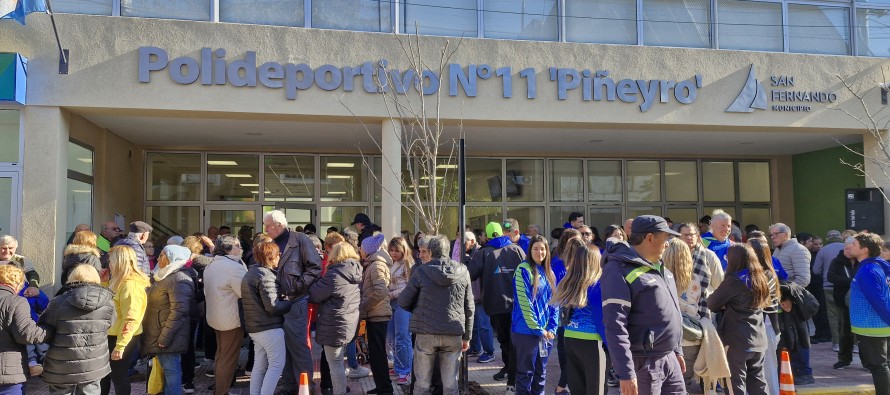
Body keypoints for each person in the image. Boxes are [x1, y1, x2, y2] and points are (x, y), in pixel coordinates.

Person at [601, 215, 685, 395]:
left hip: (669, 359)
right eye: (665, 238)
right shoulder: (618, 269)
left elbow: (673, 312)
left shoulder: (661, 269)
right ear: (649, 238)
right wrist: (625, 373)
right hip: (643, 364)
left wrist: (677, 350)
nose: (668, 244)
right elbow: (615, 325)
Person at [398, 235, 474, 395]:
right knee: (451, 386)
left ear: (430, 251)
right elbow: (469, 307)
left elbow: (403, 301)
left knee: (422, 385)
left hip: (426, 333)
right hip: (453, 332)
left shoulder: (421, 271)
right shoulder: (463, 271)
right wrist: (467, 336)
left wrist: (419, 309)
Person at [263, 210, 322, 394]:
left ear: (279, 225)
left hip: (296, 301)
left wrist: (296, 287)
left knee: (298, 346)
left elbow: (315, 267)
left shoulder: (300, 240)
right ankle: (289, 385)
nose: (266, 229)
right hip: (277, 303)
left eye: (268, 226)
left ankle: (306, 388)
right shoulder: (271, 243)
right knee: (283, 347)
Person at [40, 265, 114, 395]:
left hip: (62, 360)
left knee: (60, 392)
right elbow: (110, 324)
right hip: (93, 360)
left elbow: (45, 325)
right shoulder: (108, 303)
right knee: (90, 391)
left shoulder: (58, 301)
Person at [468, 221, 527, 386]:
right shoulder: (517, 250)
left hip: (496, 304)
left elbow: (469, 274)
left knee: (504, 339)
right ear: (501, 233)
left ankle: (511, 370)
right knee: (514, 339)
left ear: (486, 236)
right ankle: (512, 370)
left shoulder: (484, 252)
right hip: (517, 304)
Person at [707, 244, 771, 395]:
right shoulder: (762, 277)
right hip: (759, 337)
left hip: (736, 338)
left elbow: (712, 303)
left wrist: (725, 306)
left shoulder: (734, 280)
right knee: (758, 381)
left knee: (735, 383)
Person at [549, 241, 608, 395]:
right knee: (597, 390)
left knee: (578, 390)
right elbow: (601, 320)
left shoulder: (568, 283)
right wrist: (612, 346)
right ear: (596, 261)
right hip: (593, 341)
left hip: (570, 338)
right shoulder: (597, 285)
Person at [142, 245, 196, 395]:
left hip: (167, 336)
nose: (158, 258)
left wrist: (165, 338)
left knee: (172, 371)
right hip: (160, 332)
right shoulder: (164, 276)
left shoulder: (179, 279)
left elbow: (179, 312)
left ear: (171, 258)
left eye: (162, 255)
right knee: (167, 371)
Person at [241, 241, 293, 395]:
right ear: (272, 257)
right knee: (277, 365)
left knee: (260, 366)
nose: (280, 257)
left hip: (255, 327)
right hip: (269, 328)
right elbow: (273, 306)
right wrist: (288, 302)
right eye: (278, 255)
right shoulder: (266, 276)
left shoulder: (251, 272)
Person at [310, 242, 362, 395]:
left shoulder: (334, 275)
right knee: (339, 361)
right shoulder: (356, 270)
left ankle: (339, 392)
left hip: (334, 324)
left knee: (335, 364)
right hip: (349, 323)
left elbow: (314, 294)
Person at [511, 235, 558, 395]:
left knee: (540, 375)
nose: (540, 252)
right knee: (526, 375)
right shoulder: (523, 270)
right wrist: (538, 329)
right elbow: (524, 303)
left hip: (545, 335)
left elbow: (555, 302)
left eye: (543, 248)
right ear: (529, 250)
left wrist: (552, 327)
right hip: (525, 332)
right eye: (536, 248)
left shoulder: (549, 272)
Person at [101, 246, 151, 395]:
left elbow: (131, 318)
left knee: (118, 376)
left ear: (118, 262)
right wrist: (103, 282)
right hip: (113, 334)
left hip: (121, 337)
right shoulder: (119, 281)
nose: (108, 264)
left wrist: (120, 346)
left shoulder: (130, 285)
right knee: (105, 376)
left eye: (111, 261)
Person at [662, 237, 710, 393]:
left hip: (666, 337)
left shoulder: (660, 278)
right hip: (691, 336)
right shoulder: (694, 278)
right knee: (685, 382)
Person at [204, 235, 247, 395]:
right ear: (229, 249)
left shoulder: (213, 264)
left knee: (222, 354)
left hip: (216, 316)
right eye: (238, 245)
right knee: (228, 357)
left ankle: (220, 387)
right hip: (230, 318)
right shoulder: (233, 267)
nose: (241, 248)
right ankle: (221, 391)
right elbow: (244, 292)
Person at [849, 232, 890, 395]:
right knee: (879, 365)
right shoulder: (875, 266)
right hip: (872, 327)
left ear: (864, 249)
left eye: (853, 244)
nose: (849, 246)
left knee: (878, 366)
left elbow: (878, 300)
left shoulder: (868, 270)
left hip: (873, 327)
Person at [0, 264, 51, 394]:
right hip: (7, 372)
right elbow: (25, 334)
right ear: (17, 284)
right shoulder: (16, 301)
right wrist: (50, 331)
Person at [358, 234, 394, 395]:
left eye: (362, 247)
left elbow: (381, 290)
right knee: (375, 354)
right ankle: (381, 386)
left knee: (378, 354)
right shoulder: (372, 264)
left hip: (378, 315)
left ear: (368, 250)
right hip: (375, 314)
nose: (360, 249)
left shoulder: (376, 265)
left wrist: (364, 306)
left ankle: (385, 388)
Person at [747, 238, 782, 395]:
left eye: (748, 249)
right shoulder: (751, 273)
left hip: (765, 326)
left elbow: (759, 302)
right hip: (759, 327)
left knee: (768, 372)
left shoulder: (766, 274)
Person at [549, 229, 581, 395]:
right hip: (563, 314)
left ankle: (564, 385)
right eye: (572, 243)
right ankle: (563, 385)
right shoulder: (557, 264)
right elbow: (556, 290)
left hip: (580, 315)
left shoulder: (583, 264)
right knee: (565, 351)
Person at [387, 236, 414, 384]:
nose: (393, 253)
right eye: (391, 250)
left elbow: (409, 286)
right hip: (391, 303)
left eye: (397, 250)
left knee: (403, 337)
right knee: (392, 337)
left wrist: (392, 294)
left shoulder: (408, 264)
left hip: (403, 303)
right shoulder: (393, 263)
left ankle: (406, 370)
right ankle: (399, 367)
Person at [828, 237, 857, 369]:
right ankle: (844, 358)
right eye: (845, 248)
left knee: (862, 334)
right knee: (844, 330)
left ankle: (867, 360)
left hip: (859, 302)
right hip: (842, 301)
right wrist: (850, 282)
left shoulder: (861, 262)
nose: (846, 251)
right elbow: (831, 277)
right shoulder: (837, 261)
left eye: (849, 248)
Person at [815, 230, 846, 349]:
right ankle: (852, 344)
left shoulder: (823, 250)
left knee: (832, 315)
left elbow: (816, 270)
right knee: (847, 314)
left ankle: (837, 343)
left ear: (827, 239)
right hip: (846, 286)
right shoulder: (848, 248)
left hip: (828, 286)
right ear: (840, 237)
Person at [677, 223, 723, 291]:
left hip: (705, 299)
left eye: (692, 234)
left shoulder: (709, 255)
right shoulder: (673, 256)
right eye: (686, 235)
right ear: (678, 237)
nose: (689, 238)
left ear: (697, 236)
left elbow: (719, 283)